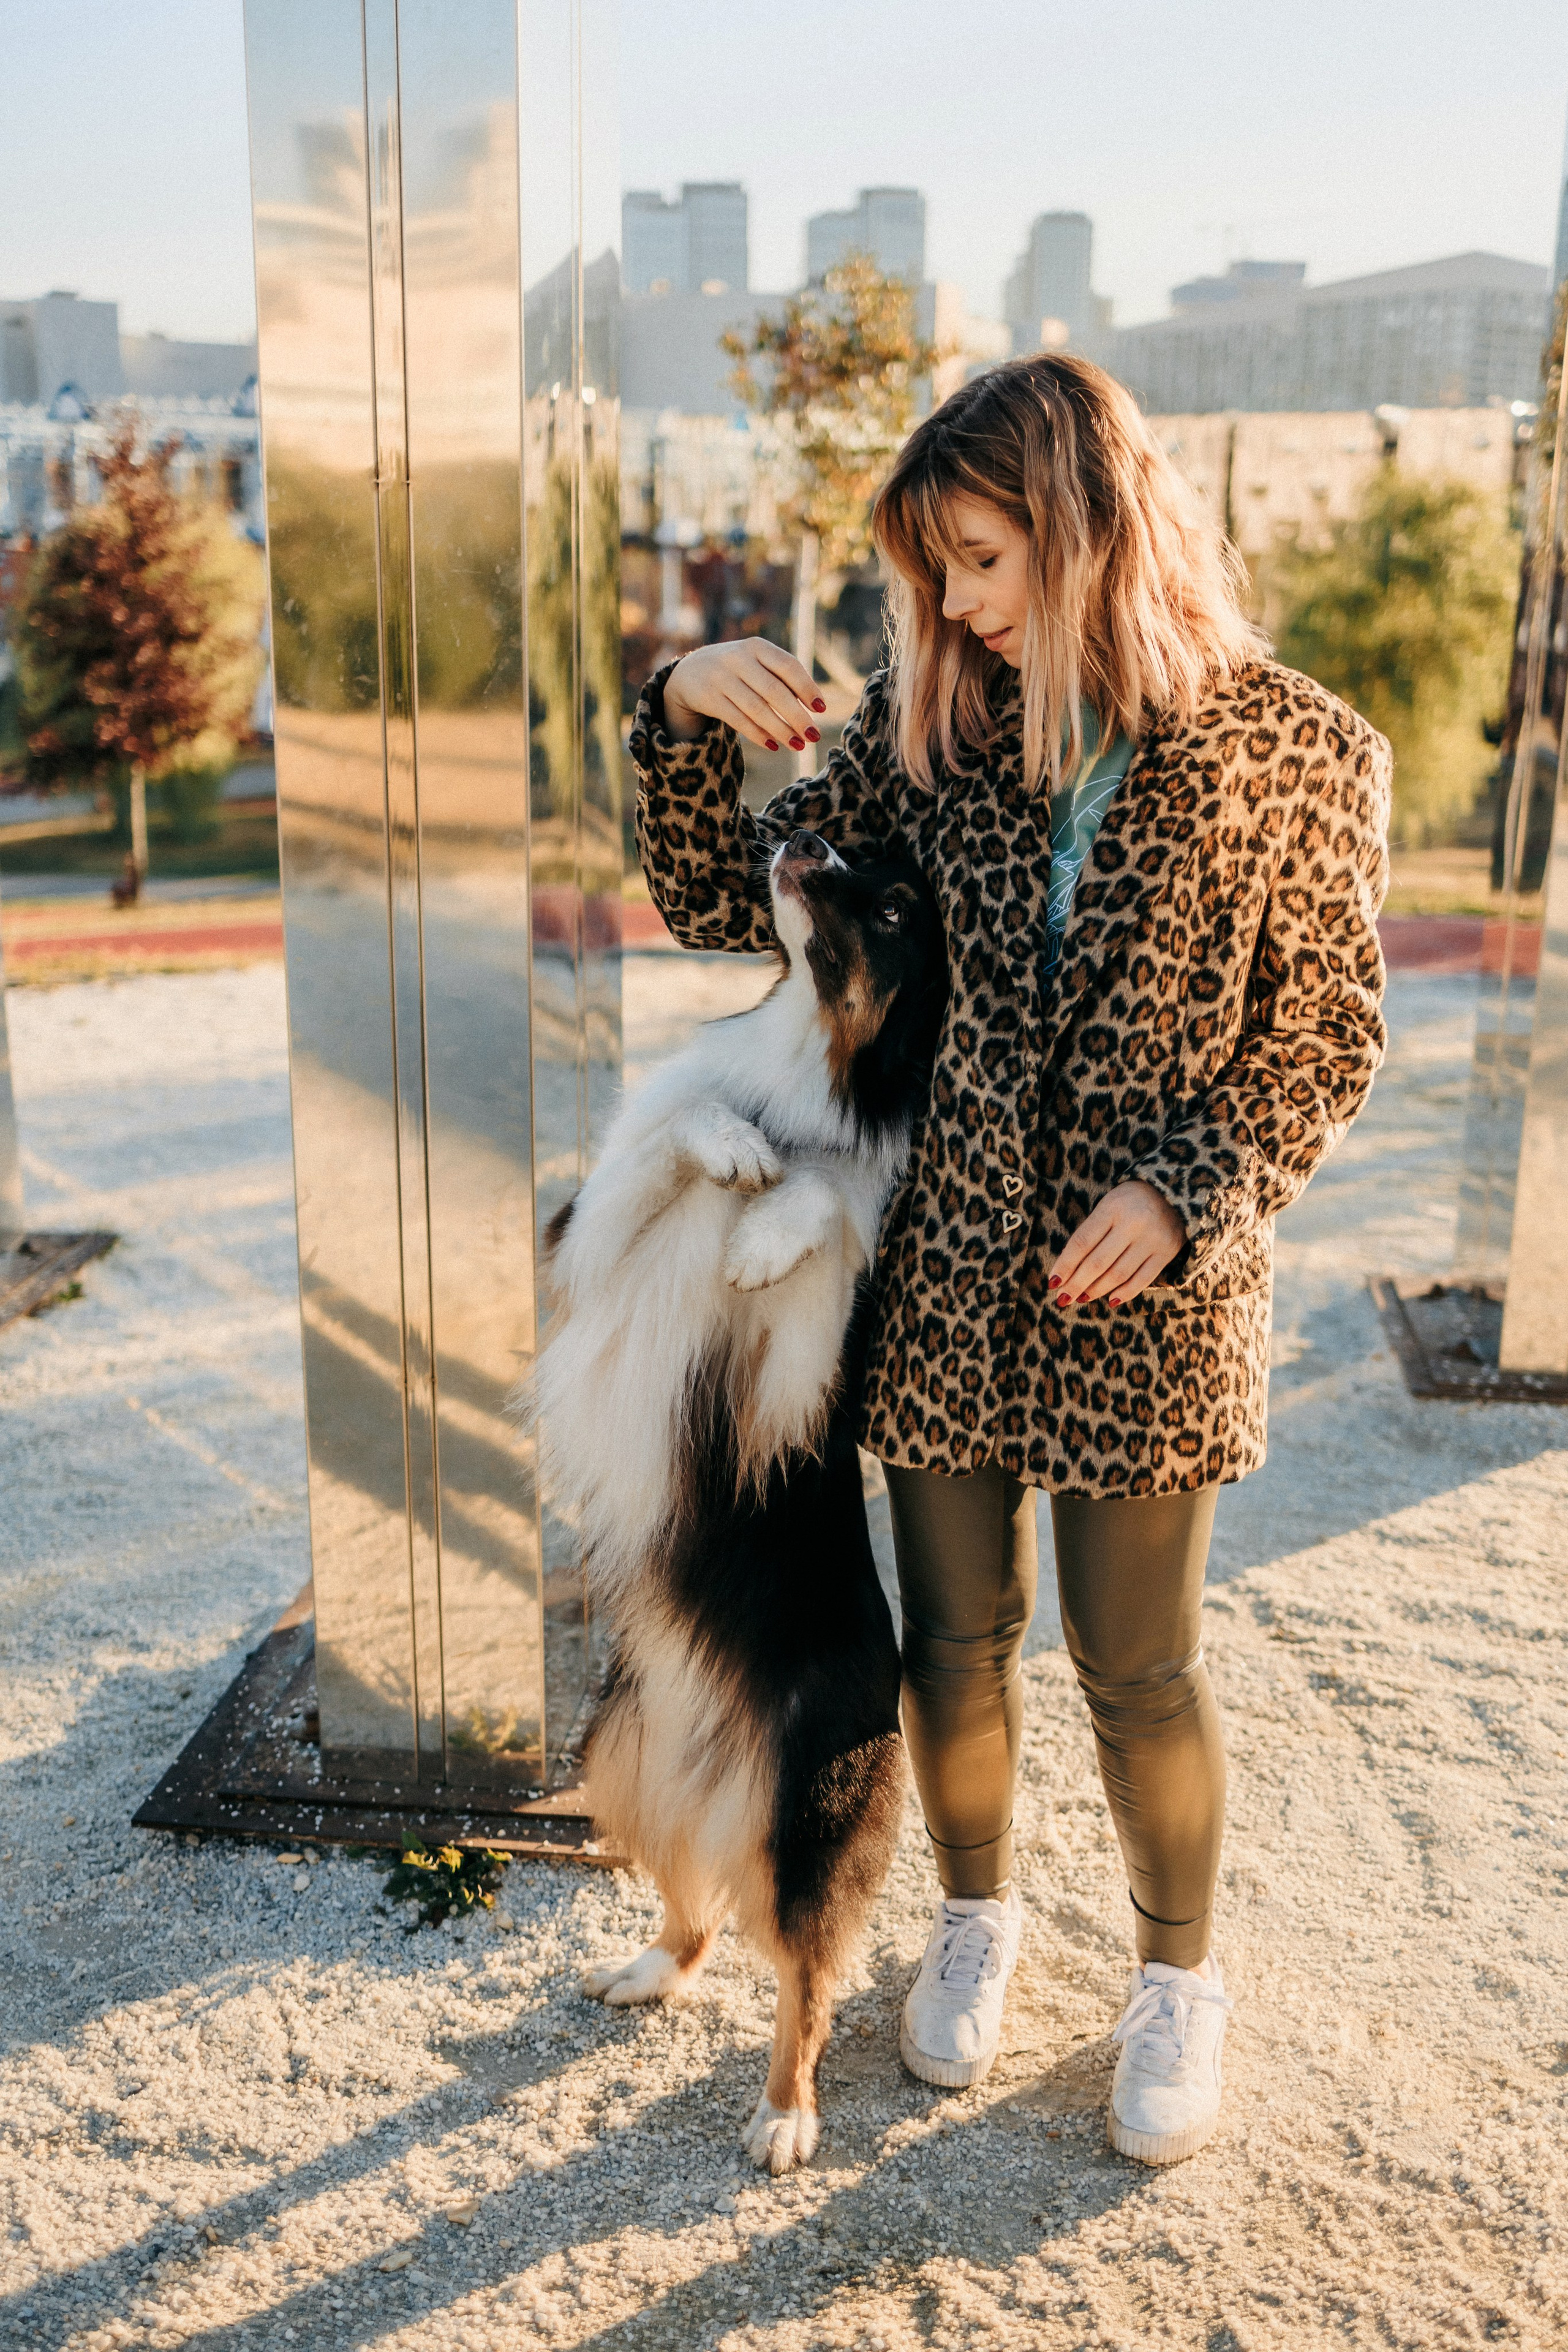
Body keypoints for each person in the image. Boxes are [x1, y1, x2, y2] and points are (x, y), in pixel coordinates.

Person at [627, 354, 1390, 2166]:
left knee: (1138, 1664)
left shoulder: (1299, 746)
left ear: (1085, 526)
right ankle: (977, 1920)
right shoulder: (930, 718)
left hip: (1157, 1292)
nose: (954, 604)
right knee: (952, 1645)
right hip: (950, 1272)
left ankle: (1178, 1981)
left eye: (978, 558)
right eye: (938, 572)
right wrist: (679, 714)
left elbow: (1328, 1036)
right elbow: (734, 905)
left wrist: (1191, 1189)